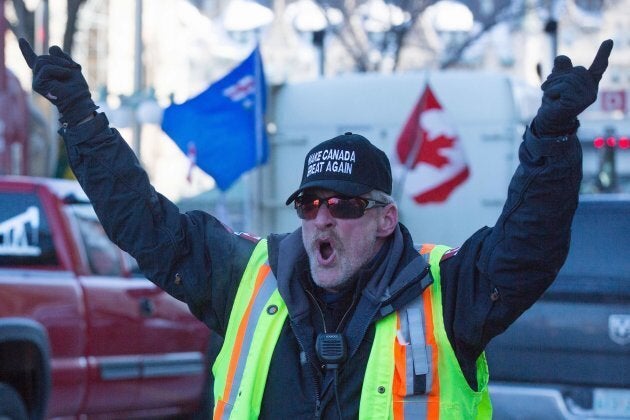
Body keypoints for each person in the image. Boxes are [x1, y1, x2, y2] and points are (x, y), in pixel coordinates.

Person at [19, 38, 612, 419]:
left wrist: (552, 139)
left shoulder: (447, 293)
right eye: (309, 204)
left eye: (345, 206)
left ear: (386, 219)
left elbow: (527, 247)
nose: (323, 218)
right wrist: (80, 119)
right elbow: (144, 222)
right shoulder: (248, 278)